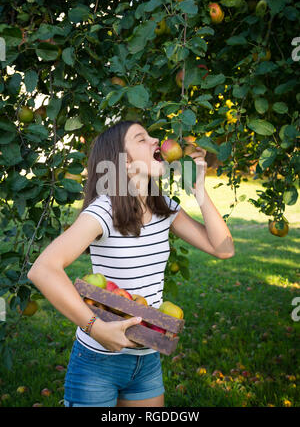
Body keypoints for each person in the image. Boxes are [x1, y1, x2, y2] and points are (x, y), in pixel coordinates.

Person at [27, 120, 235, 407]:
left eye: (151, 136)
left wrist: (199, 189)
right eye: (141, 139)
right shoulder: (104, 211)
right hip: (98, 360)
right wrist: (95, 328)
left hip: (146, 361)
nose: (155, 141)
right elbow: (43, 269)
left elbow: (223, 249)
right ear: (122, 164)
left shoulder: (163, 206)